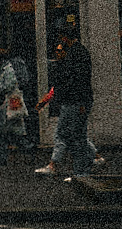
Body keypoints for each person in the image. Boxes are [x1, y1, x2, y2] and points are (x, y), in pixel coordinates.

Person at [34, 32, 94, 178]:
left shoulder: (75, 55)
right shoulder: (77, 53)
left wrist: (80, 101)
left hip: (72, 101)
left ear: (65, 38)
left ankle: (80, 171)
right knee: (76, 136)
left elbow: (78, 80)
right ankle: (84, 167)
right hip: (74, 100)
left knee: (71, 135)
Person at [0, 50, 31, 165]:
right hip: (11, 103)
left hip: (7, 103)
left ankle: (0, 158)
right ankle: (27, 147)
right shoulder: (10, 68)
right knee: (14, 130)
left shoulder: (8, 69)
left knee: (0, 130)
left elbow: (8, 86)